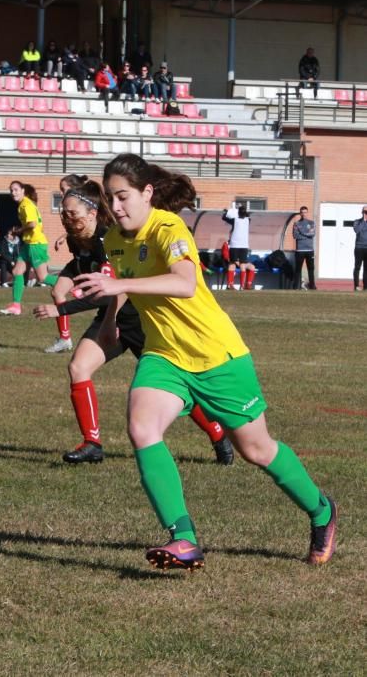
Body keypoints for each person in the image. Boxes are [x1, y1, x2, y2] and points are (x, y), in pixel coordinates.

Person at [73, 153, 337, 571]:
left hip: (217, 356)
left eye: (123, 196)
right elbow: (119, 284)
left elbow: (184, 282)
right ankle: (184, 539)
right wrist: (108, 321)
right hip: (165, 355)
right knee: (142, 426)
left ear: (147, 193)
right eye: (110, 199)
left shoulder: (168, 227)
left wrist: (117, 283)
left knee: (257, 450)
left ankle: (322, 511)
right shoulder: (114, 240)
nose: (116, 207)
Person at [34, 178, 234, 467]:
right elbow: (80, 265)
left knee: (179, 389)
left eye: (71, 212)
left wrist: (61, 309)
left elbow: (111, 291)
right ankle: (92, 443)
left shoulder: (109, 240)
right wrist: (62, 285)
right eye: (63, 212)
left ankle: (218, 434)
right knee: (78, 367)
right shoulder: (82, 240)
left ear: (92, 213)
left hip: (141, 321)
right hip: (111, 319)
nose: (66, 218)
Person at [45, 173, 89, 353]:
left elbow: (89, 226)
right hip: (78, 259)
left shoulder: (87, 206)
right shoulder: (68, 208)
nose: (62, 193)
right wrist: (64, 236)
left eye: (64, 190)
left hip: (92, 259)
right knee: (57, 292)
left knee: (107, 299)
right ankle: (65, 339)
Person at [0, 181, 58, 315]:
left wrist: (19, 230)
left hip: (35, 244)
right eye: (11, 190)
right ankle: (16, 306)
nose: (13, 193)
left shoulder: (26, 205)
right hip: (29, 243)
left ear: (23, 190)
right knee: (17, 271)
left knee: (43, 277)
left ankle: (73, 287)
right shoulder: (25, 204)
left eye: (16, 190)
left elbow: (32, 224)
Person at [222, 204, 255, 290]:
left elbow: (224, 217)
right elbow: (247, 215)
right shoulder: (248, 220)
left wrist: (227, 211)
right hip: (244, 245)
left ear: (238, 213)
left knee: (232, 263)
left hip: (234, 245)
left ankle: (230, 284)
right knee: (243, 265)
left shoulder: (235, 220)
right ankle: (243, 286)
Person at [292, 206, 317, 290]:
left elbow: (312, 234)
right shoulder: (296, 224)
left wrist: (302, 232)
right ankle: (296, 287)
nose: (304, 214)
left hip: (310, 250)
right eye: (302, 212)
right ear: (300, 213)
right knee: (298, 269)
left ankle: (312, 286)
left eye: (305, 212)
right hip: (300, 250)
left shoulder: (311, 223)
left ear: (307, 213)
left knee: (311, 269)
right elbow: (295, 235)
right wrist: (306, 234)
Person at [353, 205, 367, 291]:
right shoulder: (357, 221)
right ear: (362, 212)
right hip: (359, 247)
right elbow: (357, 230)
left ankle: (366, 286)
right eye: (364, 211)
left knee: (366, 268)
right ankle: (356, 286)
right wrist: (364, 221)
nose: (366, 213)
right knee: (357, 267)